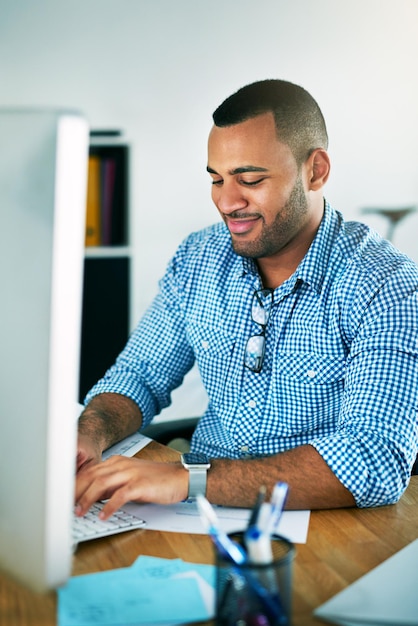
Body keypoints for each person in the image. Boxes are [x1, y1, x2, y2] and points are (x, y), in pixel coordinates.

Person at [75, 79, 418, 521]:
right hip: (197, 517)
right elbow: (139, 375)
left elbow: (374, 458)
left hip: (326, 524)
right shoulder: (199, 257)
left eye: (250, 179)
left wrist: (191, 480)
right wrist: (88, 435)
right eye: (216, 179)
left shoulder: (386, 284)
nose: (226, 201)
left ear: (316, 171)